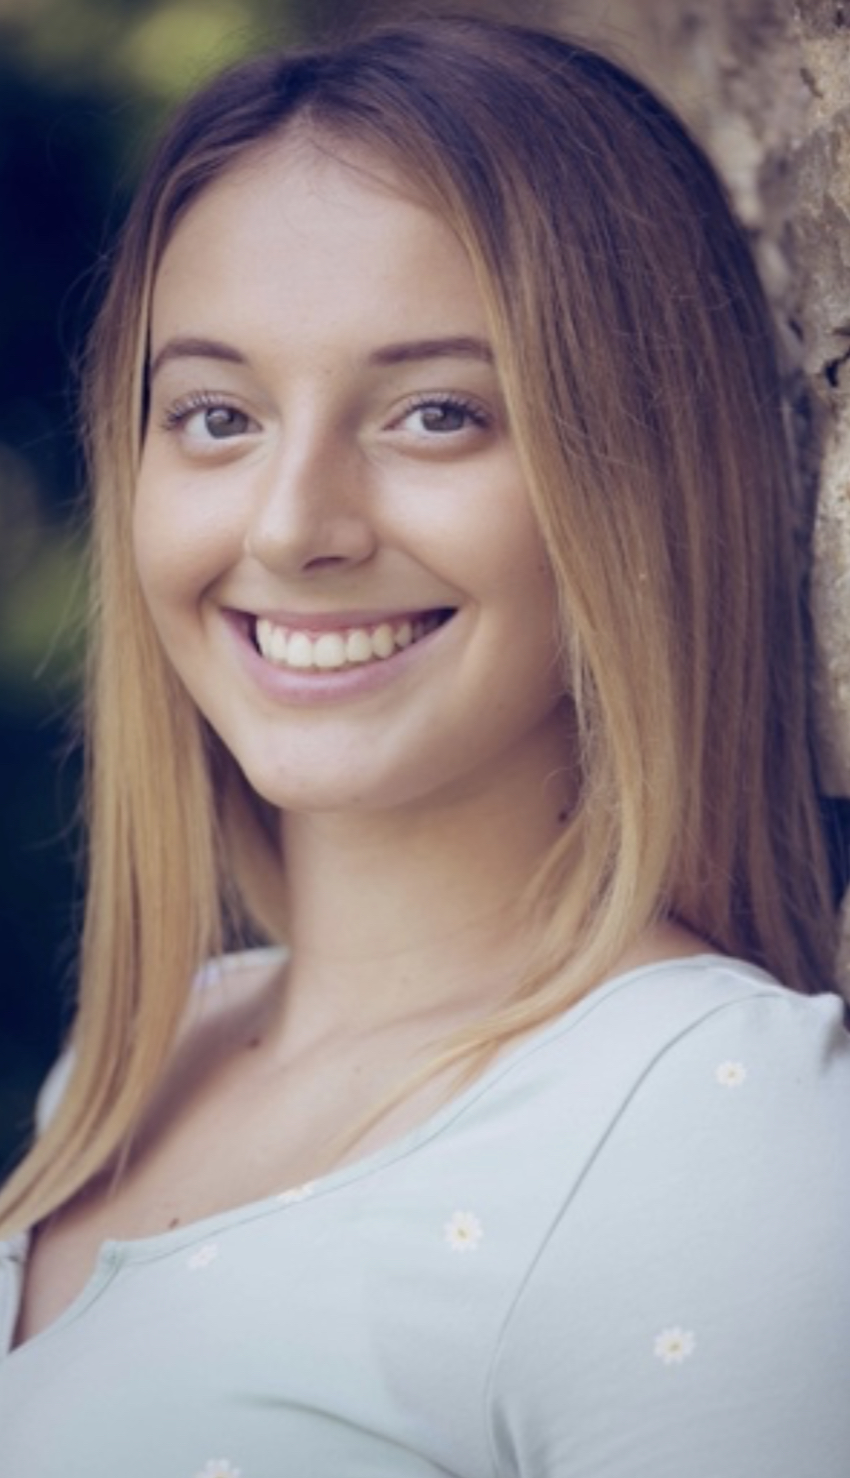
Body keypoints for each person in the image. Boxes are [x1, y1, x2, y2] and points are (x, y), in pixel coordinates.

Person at [1, 12, 848, 1474]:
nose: (289, 524)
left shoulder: (706, 1124)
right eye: (216, 415)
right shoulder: (138, 1062)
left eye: (436, 412)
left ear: (641, 469)